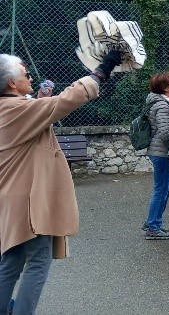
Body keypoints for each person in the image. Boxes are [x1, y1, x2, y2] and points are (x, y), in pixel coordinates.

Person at [0, 50, 122, 315]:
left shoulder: (11, 107)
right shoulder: (15, 109)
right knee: (38, 262)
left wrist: (39, 101)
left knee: (11, 260)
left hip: (15, 199)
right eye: (25, 73)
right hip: (30, 202)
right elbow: (68, 99)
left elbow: (38, 115)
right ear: (11, 83)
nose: (30, 77)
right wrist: (102, 70)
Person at [142, 71, 169, 240]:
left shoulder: (162, 103)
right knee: (162, 189)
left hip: (161, 152)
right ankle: (153, 226)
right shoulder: (162, 105)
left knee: (168, 187)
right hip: (162, 153)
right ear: (165, 88)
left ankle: (152, 221)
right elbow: (164, 132)